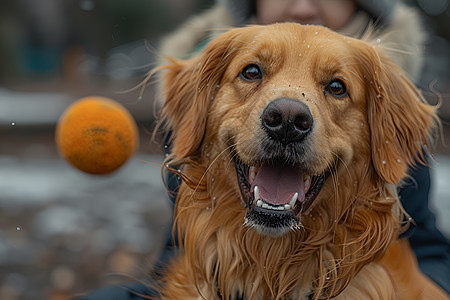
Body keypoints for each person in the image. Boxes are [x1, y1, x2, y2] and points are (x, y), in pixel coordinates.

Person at [76, 0, 449, 298]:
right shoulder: (204, 105)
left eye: (336, 87)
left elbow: (431, 252)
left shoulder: (384, 98)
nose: (288, 111)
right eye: (252, 73)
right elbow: (177, 252)